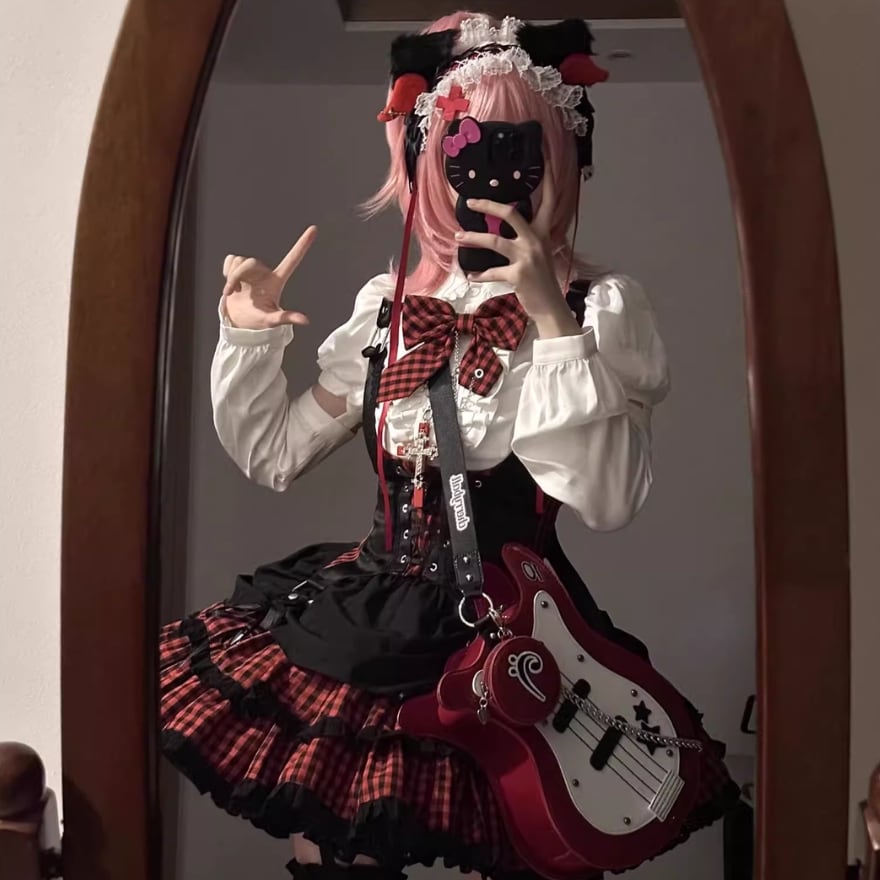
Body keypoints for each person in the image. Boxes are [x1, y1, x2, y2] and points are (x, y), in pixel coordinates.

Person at [159, 11, 739, 880]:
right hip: (369, 622)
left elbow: (608, 501)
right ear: (425, 163)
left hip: (519, 627)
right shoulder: (386, 310)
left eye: (520, 153)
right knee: (338, 846)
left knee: (539, 840)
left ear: (561, 160)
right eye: (466, 155)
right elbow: (274, 452)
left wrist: (552, 323)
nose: (493, 180)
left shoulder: (601, 309)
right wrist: (248, 335)